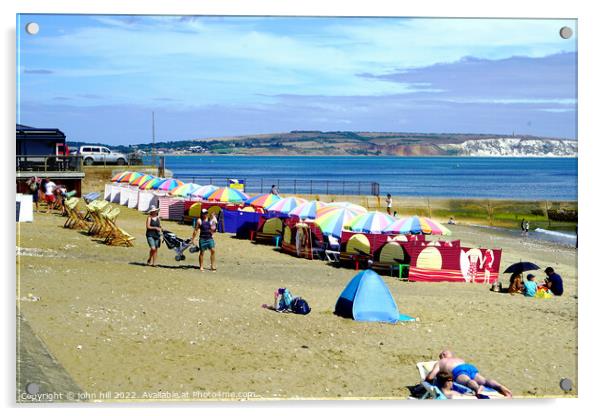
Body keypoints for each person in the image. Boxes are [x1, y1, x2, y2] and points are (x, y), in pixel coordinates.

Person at [425, 350, 512, 398]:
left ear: (442, 356)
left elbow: (430, 377)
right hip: (469, 367)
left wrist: (428, 377)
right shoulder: (459, 359)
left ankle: (478, 389)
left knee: (467, 381)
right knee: (484, 380)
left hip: (458, 370)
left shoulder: (441, 362)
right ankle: (501, 387)